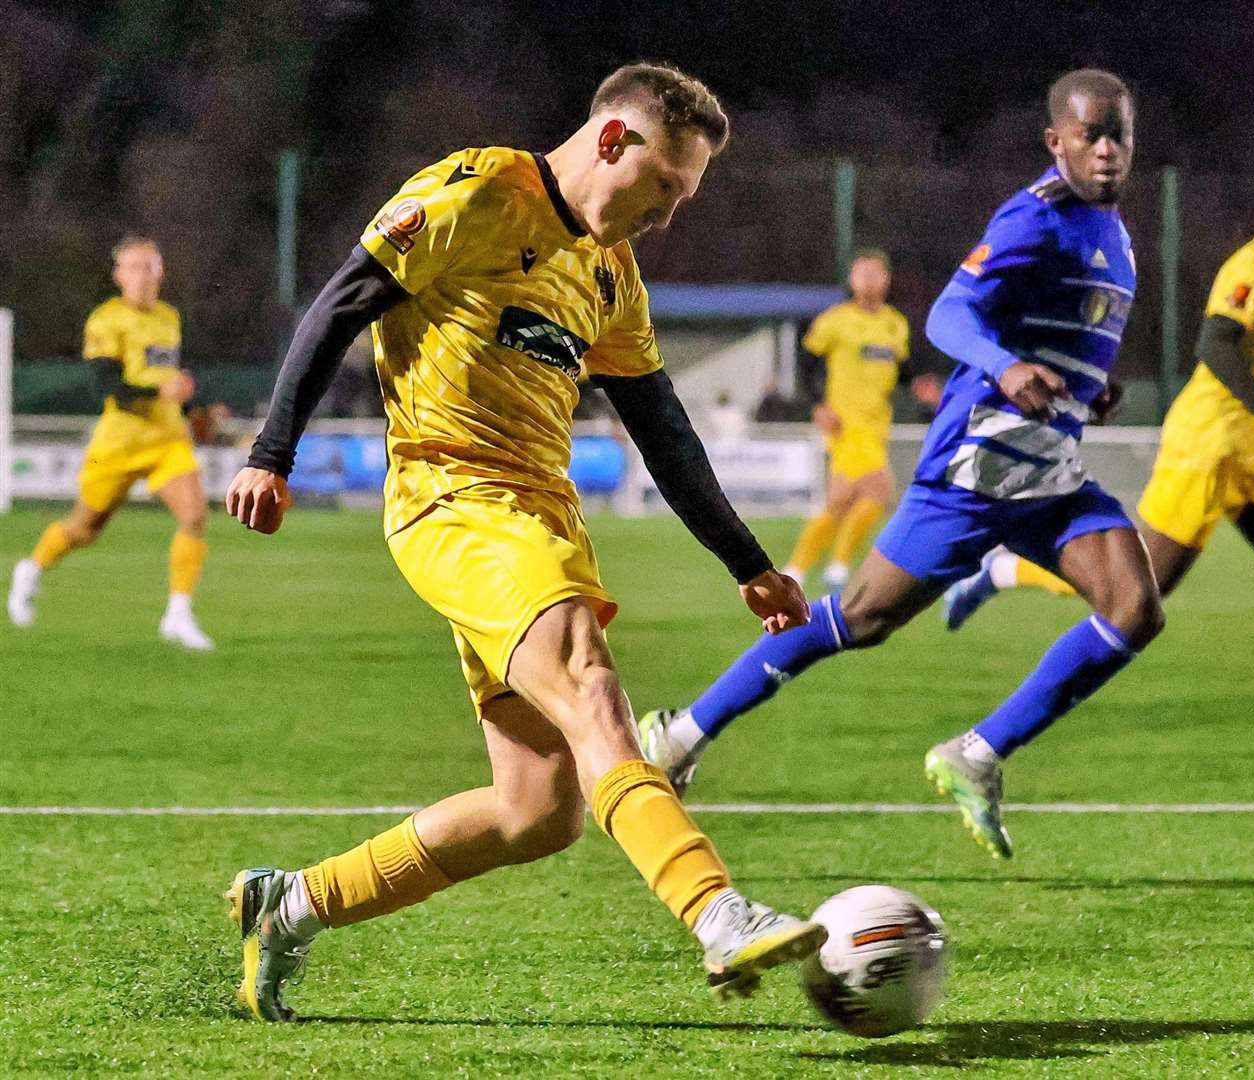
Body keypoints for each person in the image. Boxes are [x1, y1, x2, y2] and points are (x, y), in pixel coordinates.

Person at [221, 63, 822, 1022]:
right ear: (615, 142)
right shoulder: (476, 192)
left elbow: (659, 424)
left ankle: (290, 903)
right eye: (665, 185)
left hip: (540, 521)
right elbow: (341, 301)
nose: (667, 214)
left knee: (538, 811)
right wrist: (270, 452)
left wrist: (748, 562)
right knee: (591, 685)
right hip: (451, 498)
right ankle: (719, 916)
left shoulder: (610, 273)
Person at [641, 69, 1162, 860]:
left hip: (1048, 473)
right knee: (857, 618)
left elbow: (1059, 333)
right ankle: (681, 735)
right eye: (1089, 133)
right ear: (1055, 141)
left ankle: (977, 754)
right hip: (975, 472)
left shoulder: (1115, 235)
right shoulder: (1034, 217)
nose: (1106, 149)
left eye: (1117, 133)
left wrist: (1087, 386)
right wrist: (1007, 367)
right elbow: (951, 312)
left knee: (1135, 608)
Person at [944, 170, 1254, 766]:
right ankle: (1001, 570)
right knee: (1137, 591)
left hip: (1248, 449)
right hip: (1208, 445)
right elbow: (1214, 346)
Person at [7, 237, 213, 650]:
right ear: (118, 275)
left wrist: (193, 408)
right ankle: (30, 569)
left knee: (194, 516)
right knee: (84, 529)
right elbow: (108, 388)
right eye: (134, 267)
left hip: (166, 439)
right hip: (118, 443)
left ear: (162, 272)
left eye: (151, 266)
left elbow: (163, 378)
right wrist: (163, 394)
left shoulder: (169, 317)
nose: (144, 275)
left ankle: (177, 613)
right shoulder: (105, 320)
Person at [783, 250, 911, 590]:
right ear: (852, 279)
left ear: (886, 279)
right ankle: (836, 566)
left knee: (842, 499)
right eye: (862, 273)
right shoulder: (836, 319)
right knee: (880, 490)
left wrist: (920, 386)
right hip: (846, 423)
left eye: (875, 273)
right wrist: (817, 404)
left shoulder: (895, 323)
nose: (868, 279)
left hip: (877, 425)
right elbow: (806, 362)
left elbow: (901, 372)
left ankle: (798, 568)